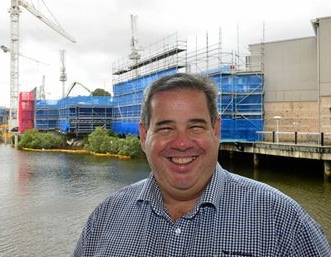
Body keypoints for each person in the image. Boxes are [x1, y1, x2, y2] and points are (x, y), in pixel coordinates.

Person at [72, 73, 331, 256]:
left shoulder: (283, 221)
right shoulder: (105, 218)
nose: (182, 143)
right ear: (143, 136)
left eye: (195, 126)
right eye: (165, 128)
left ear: (216, 131)